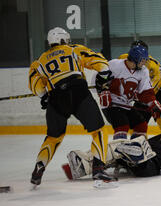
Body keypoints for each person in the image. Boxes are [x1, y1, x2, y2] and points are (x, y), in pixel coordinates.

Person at [28, 27, 116, 189]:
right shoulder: (74, 49)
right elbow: (100, 62)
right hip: (78, 92)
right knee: (99, 131)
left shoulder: (39, 61)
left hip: (56, 97)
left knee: (53, 138)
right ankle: (98, 169)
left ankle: (40, 166)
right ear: (64, 40)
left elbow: (35, 85)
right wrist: (104, 76)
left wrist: (44, 96)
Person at [98, 45, 161, 140]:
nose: (144, 63)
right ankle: (119, 150)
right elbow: (98, 78)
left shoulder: (143, 71)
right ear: (135, 59)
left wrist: (153, 104)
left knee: (141, 125)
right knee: (122, 126)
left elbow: (145, 92)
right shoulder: (114, 65)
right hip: (112, 105)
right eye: (142, 60)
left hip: (126, 105)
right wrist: (102, 92)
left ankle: (135, 148)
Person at [119, 40, 161, 134]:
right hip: (143, 95)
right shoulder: (123, 59)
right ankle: (138, 144)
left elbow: (148, 91)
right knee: (137, 124)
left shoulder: (152, 67)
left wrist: (131, 94)